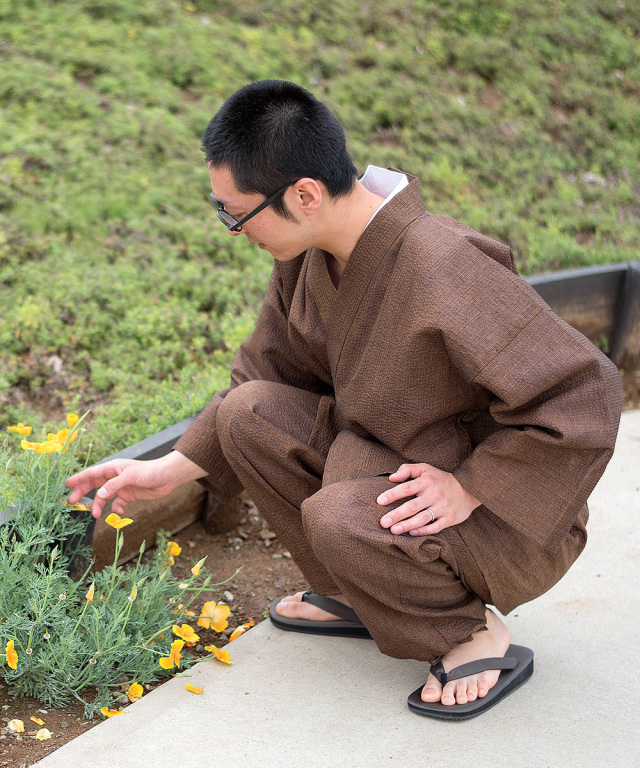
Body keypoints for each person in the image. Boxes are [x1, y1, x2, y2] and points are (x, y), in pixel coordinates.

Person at [67, 79, 623, 719]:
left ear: (304, 195)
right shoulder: (308, 255)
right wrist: (166, 471)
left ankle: (468, 630)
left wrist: (470, 485)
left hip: (495, 515)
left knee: (336, 516)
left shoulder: (441, 264)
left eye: (235, 214)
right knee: (246, 416)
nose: (229, 230)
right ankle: (364, 593)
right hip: (387, 469)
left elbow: (584, 391)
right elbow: (261, 376)